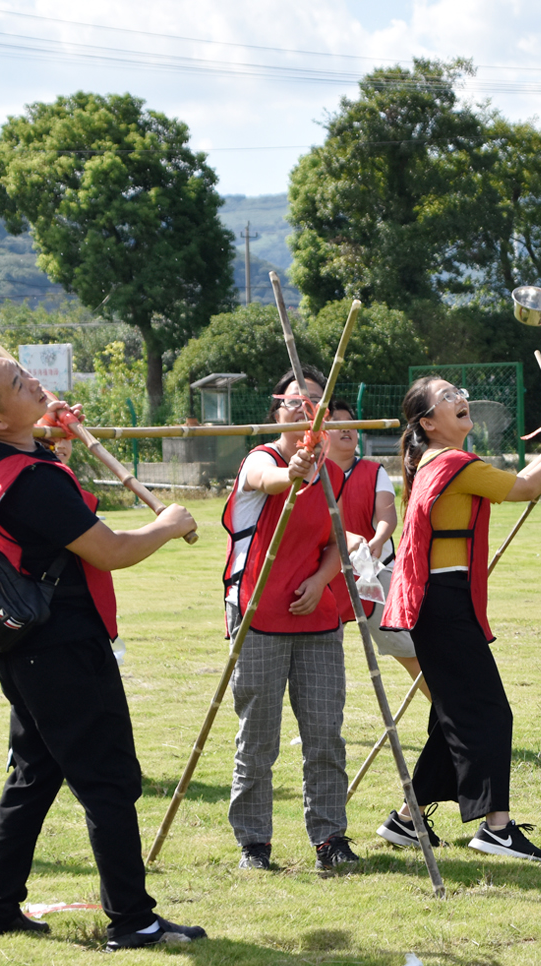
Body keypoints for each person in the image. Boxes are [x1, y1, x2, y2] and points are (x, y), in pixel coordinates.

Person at [0, 355, 205, 949]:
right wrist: (166, 523)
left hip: (22, 644)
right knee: (108, 781)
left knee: (34, 774)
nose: (34, 383)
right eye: (18, 384)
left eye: (25, 373)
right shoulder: (30, 485)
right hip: (60, 647)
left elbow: (28, 451)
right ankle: (133, 921)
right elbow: (109, 550)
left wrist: (46, 426)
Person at [377, 377, 541, 861]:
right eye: (447, 396)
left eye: (458, 392)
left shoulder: (427, 462)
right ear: (428, 423)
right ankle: (496, 828)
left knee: (453, 715)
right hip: (445, 602)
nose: (460, 399)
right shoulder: (452, 462)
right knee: (489, 714)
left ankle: (407, 821)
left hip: (437, 601)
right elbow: (528, 487)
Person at [221, 367, 356, 874]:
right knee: (258, 738)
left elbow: (335, 544)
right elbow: (271, 480)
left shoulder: (335, 474)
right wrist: (295, 469)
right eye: (295, 402)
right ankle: (254, 844)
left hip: (320, 622)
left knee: (325, 734)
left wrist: (322, 580)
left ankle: (330, 838)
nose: (305, 410)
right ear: (276, 410)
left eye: (315, 402)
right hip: (259, 617)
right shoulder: (263, 459)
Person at [322, 398, 429, 702]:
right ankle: (320, 728)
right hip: (328, 575)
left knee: (406, 649)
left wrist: (378, 540)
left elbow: (387, 516)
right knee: (319, 654)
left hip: (374, 574)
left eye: (351, 424)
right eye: (337, 423)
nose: (346, 429)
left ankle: (448, 717)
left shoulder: (373, 471)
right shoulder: (315, 475)